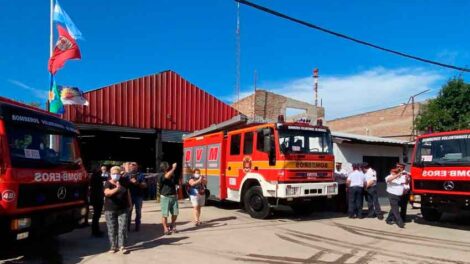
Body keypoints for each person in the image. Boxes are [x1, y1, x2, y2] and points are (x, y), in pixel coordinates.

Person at [104, 166, 131, 254]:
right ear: (110, 174)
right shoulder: (107, 183)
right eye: (113, 174)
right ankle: (113, 247)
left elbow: (128, 193)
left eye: (117, 173)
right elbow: (107, 193)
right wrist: (117, 189)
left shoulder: (124, 181)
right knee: (112, 228)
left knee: (122, 227)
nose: (115, 175)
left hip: (123, 209)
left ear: (120, 174)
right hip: (110, 209)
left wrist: (130, 204)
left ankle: (122, 246)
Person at [158, 162, 179, 235]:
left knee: (175, 213)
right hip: (165, 197)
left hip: (174, 196)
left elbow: (175, 182)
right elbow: (166, 176)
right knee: (165, 214)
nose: (168, 167)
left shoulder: (171, 174)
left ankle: (172, 225)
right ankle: (165, 228)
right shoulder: (160, 174)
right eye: (167, 166)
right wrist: (173, 168)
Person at [126, 162, 147, 232]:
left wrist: (137, 183)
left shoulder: (141, 175)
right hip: (129, 196)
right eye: (131, 165)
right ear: (129, 167)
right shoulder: (126, 175)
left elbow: (145, 185)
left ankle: (137, 227)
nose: (132, 166)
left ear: (137, 166)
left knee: (138, 212)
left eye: (134, 165)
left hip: (138, 196)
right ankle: (127, 227)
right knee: (128, 212)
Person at [90, 165, 107, 237]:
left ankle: (96, 230)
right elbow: (104, 178)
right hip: (97, 198)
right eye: (99, 169)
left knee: (96, 215)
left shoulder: (94, 176)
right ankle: (95, 231)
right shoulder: (96, 177)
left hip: (95, 198)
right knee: (97, 215)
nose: (101, 170)